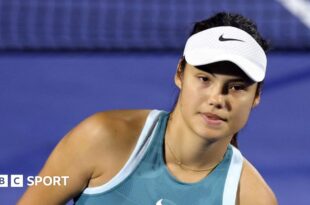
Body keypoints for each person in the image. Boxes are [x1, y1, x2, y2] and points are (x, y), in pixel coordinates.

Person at [18, 12, 278, 205]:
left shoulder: (252, 197)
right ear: (180, 74)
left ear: (257, 96)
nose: (217, 98)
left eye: (236, 87)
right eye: (204, 79)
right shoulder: (101, 139)